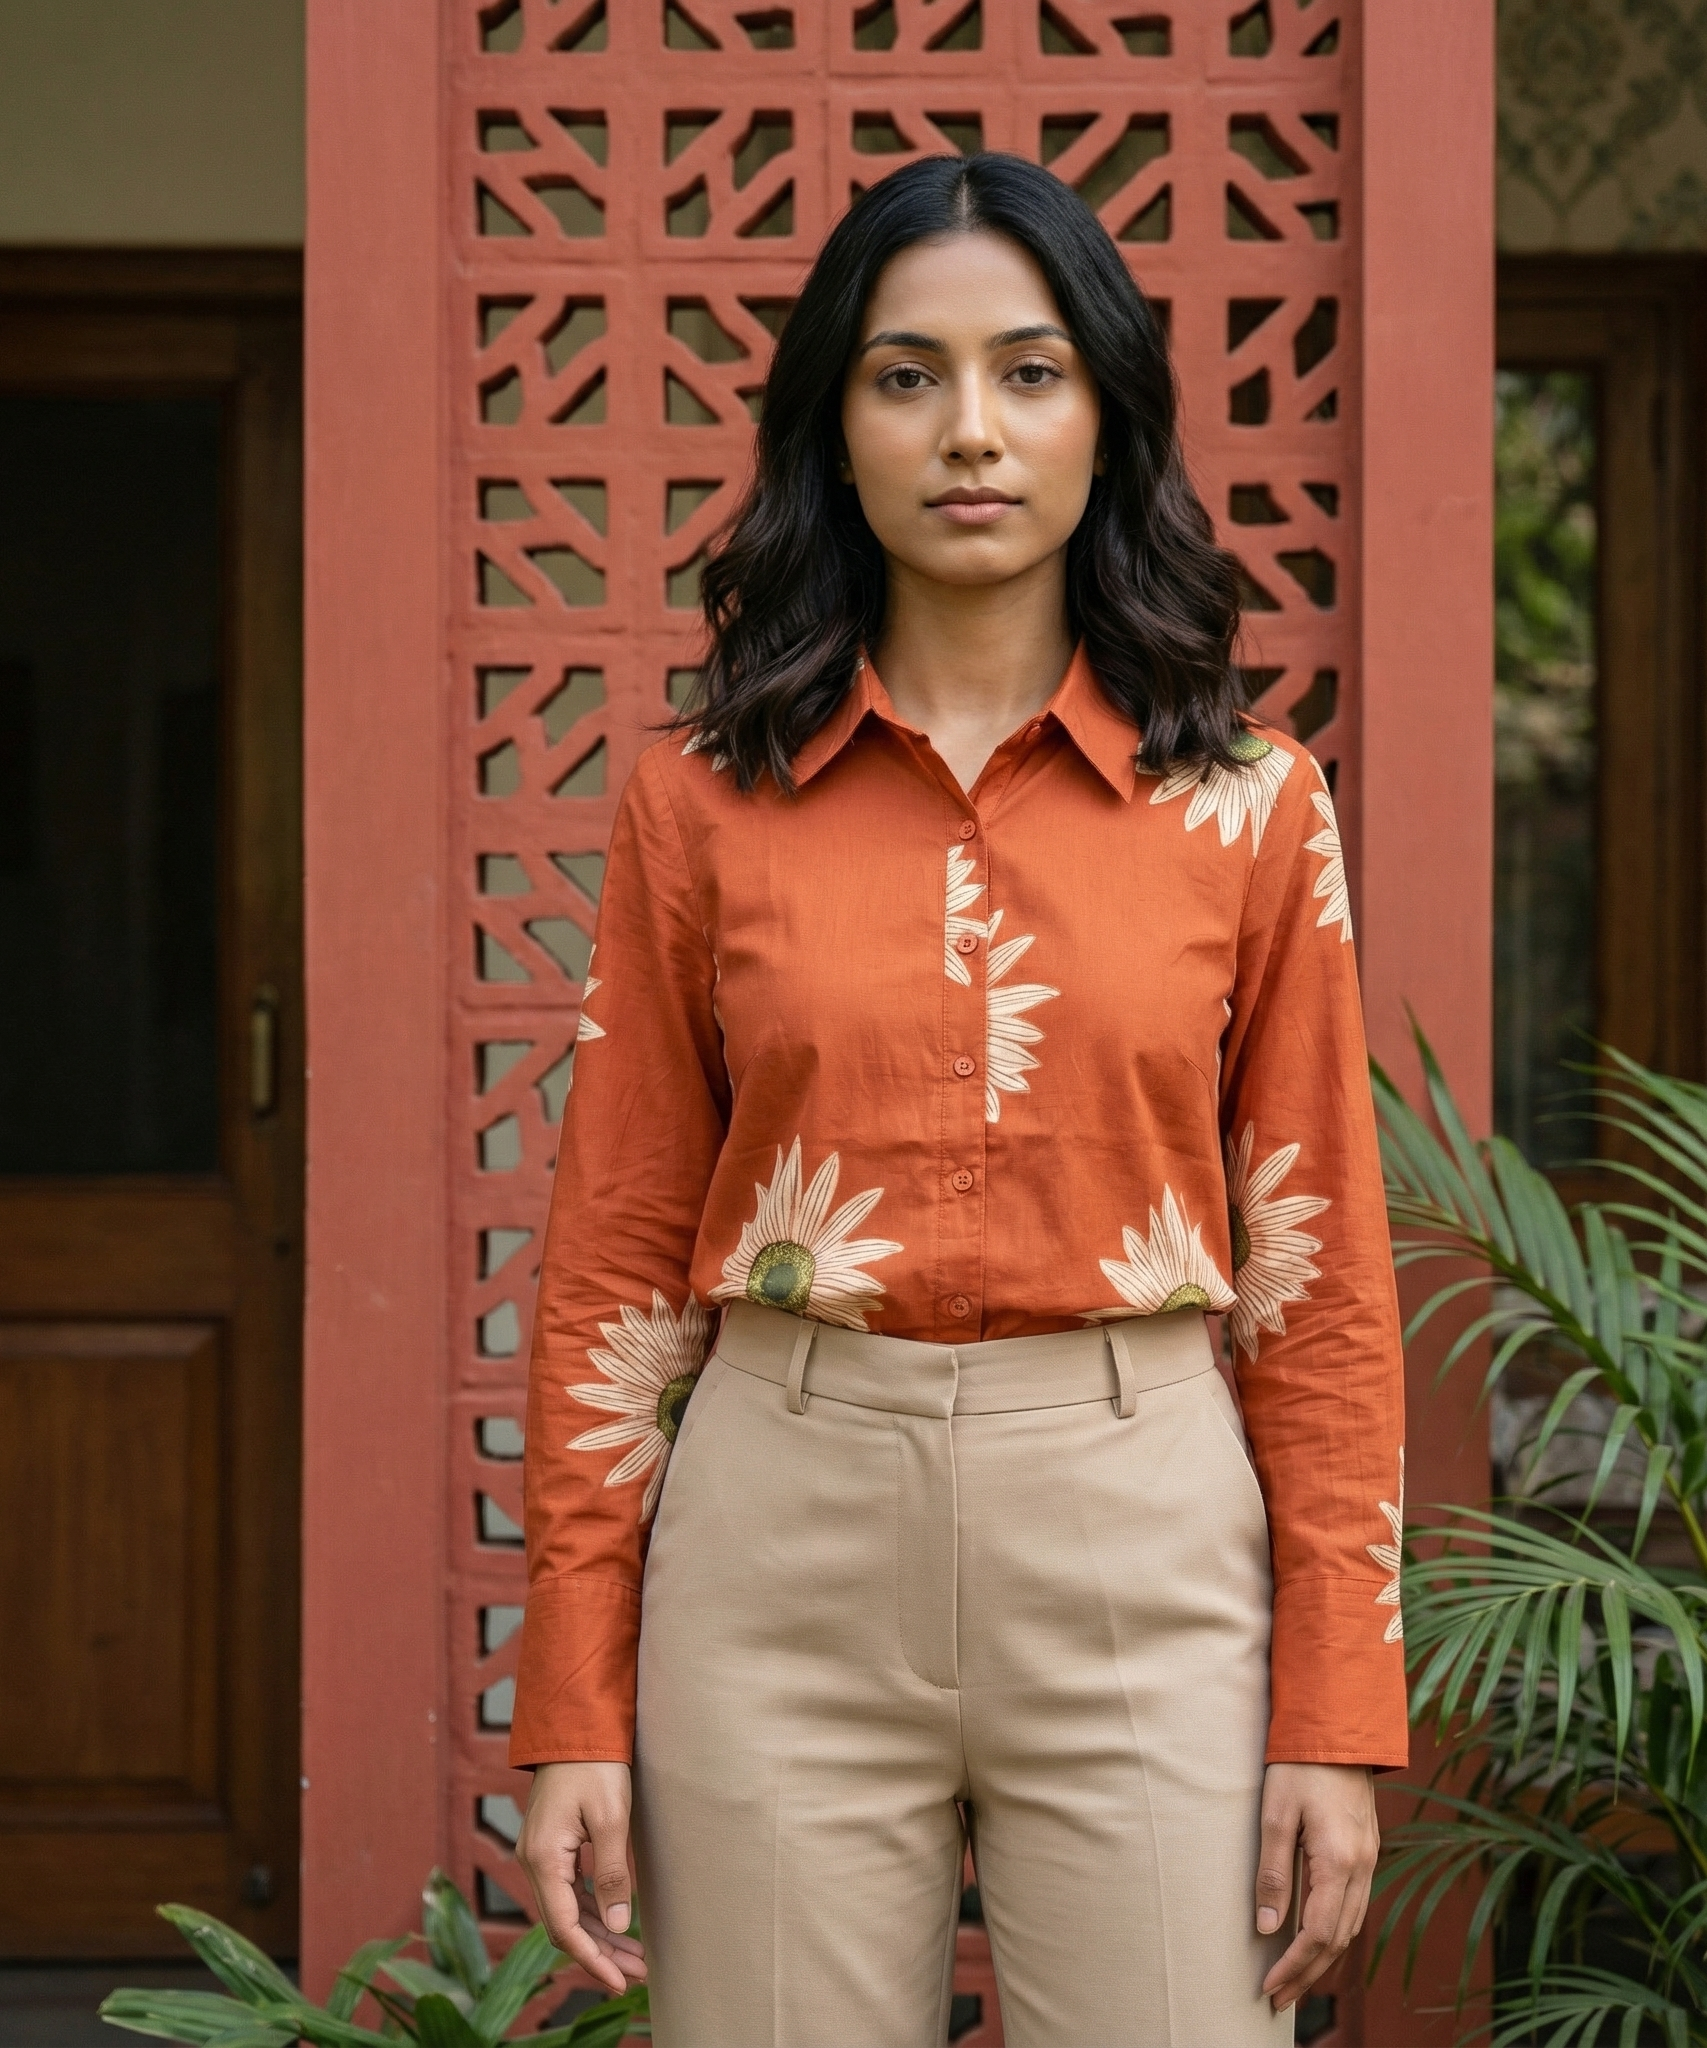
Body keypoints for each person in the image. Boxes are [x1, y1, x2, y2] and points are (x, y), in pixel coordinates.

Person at [510, 150, 1408, 2047]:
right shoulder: (699, 804)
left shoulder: (1252, 808)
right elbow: (608, 1271)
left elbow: (1316, 1283)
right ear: (835, 431)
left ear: (1110, 419)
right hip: (779, 1536)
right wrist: (574, 1695)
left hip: (1142, 1529)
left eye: (1031, 369)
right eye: (907, 375)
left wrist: (1337, 1708)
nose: (971, 430)